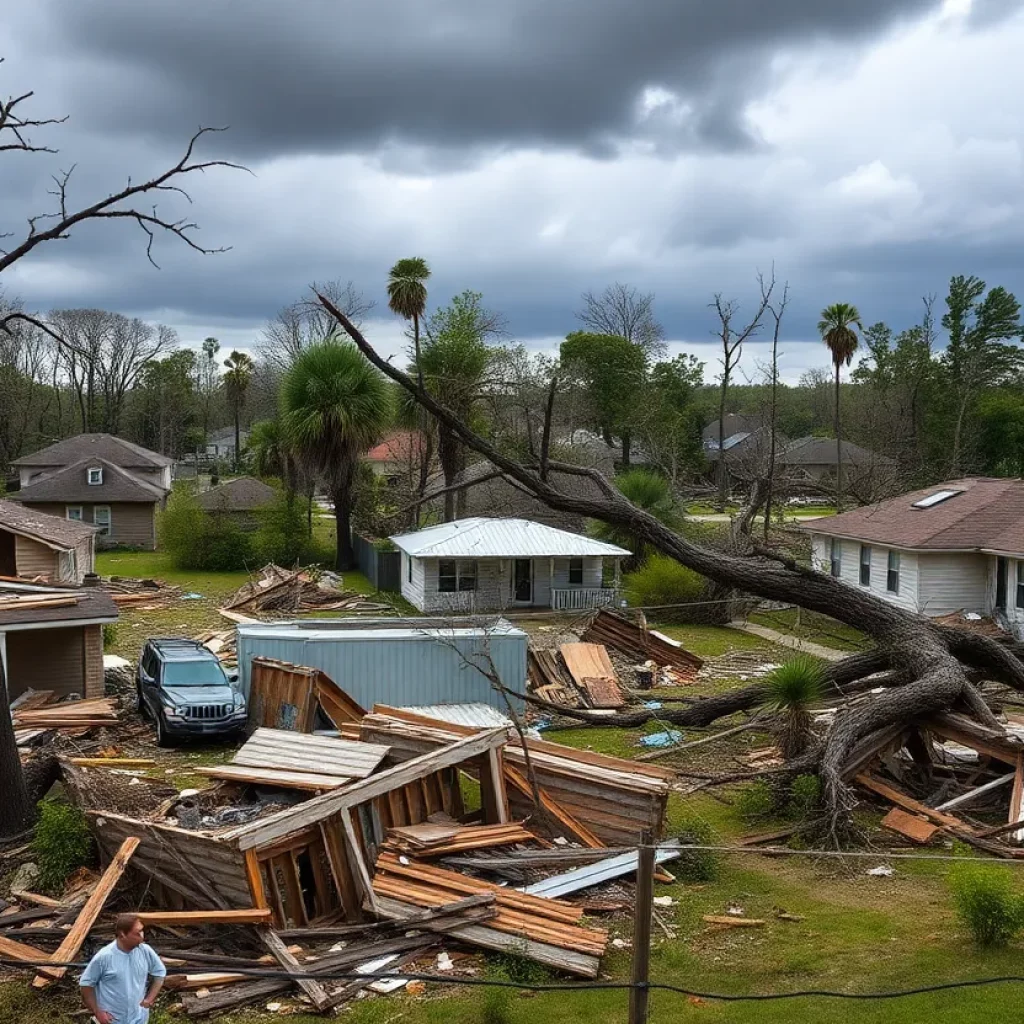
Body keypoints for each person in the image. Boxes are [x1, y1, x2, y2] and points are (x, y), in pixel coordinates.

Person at [80, 913, 166, 1024]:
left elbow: (160, 973)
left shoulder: (145, 951)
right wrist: (97, 1011)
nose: (142, 936)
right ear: (122, 935)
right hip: (112, 1020)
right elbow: (86, 984)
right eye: (137, 933)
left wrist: (150, 998)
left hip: (139, 1018)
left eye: (142, 930)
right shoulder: (104, 957)